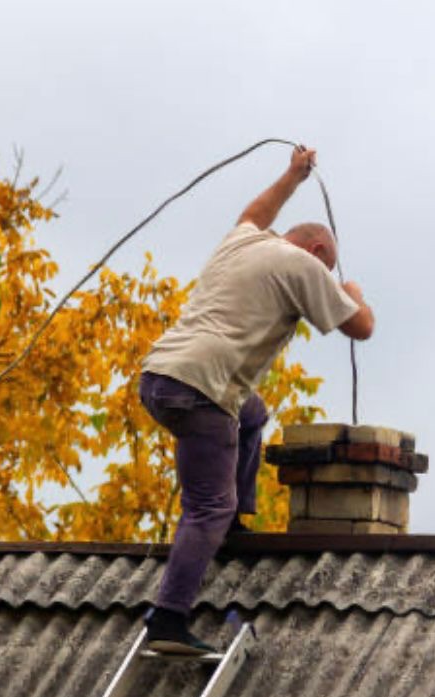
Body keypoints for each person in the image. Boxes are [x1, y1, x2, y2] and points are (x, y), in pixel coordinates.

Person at [138, 145, 375, 654]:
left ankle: (232, 521)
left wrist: (292, 176)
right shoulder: (304, 265)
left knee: (253, 412)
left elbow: (255, 211)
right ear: (317, 252)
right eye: (327, 267)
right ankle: (169, 619)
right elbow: (361, 327)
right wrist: (352, 292)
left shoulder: (244, 240)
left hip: (160, 375)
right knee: (207, 505)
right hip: (203, 390)